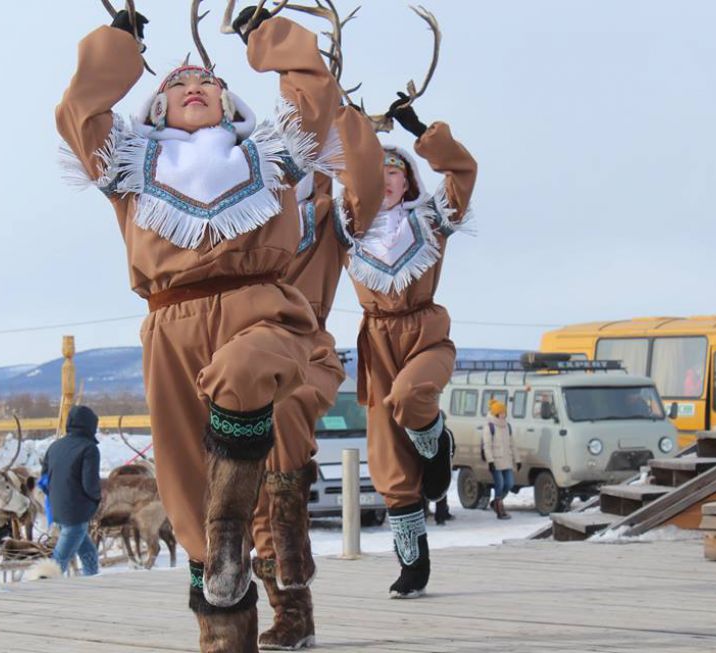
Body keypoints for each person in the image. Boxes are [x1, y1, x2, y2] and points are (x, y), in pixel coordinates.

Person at [56, 7, 344, 649]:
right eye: (177, 83)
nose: (193, 86)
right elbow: (80, 112)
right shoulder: (131, 166)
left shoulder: (271, 157)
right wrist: (121, 44)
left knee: (245, 372)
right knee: (186, 496)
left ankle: (235, 529)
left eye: (208, 82)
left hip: (259, 306)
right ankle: (223, 632)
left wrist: (261, 30)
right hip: (169, 324)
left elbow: (313, 95)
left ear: (228, 101)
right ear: (156, 108)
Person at [249, 99, 383, 648]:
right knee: (251, 482)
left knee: (284, 421)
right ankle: (288, 611)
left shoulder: (334, 215)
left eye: (308, 149)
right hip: (247, 355)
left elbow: (368, 184)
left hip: (307, 350)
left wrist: (339, 111)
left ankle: (292, 575)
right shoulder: (247, 211)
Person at [343, 94, 477, 598]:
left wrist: (421, 130)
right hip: (376, 337)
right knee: (388, 459)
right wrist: (350, 128)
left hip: (424, 331)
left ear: (408, 180)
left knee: (411, 394)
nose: (385, 178)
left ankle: (435, 440)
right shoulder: (348, 227)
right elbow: (309, 180)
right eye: (375, 171)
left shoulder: (431, 222)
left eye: (394, 170)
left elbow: (463, 173)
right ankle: (412, 564)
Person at [41, 405, 102, 575]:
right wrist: (96, 500)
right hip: (77, 510)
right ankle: (42, 588)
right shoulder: (89, 449)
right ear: (91, 425)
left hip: (57, 509)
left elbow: (44, 478)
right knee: (57, 563)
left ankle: (92, 580)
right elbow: (90, 484)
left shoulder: (55, 446)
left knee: (88, 552)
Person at [483, 399, 520, 520]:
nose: (504, 414)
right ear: (496, 413)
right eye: (501, 412)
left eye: (504, 412)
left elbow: (513, 444)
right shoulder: (490, 427)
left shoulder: (507, 426)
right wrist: (490, 461)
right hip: (496, 461)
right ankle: (500, 510)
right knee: (500, 484)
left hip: (507, 461)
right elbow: (487, 445)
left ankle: (496, 502)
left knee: (509, 484)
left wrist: (517, 460)